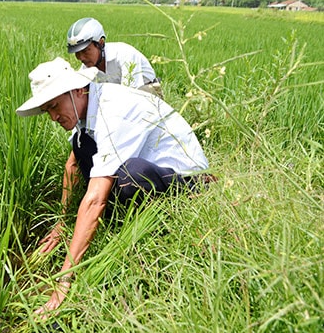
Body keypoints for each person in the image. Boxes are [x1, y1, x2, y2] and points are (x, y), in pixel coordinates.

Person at [15, 57, 210, 317]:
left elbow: (95, 199)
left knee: (132, 176)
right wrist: (62, 224)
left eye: (54, 106)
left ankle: (141, 226)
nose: (52, 117)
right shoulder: (85, 110)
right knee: (83, 147)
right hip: (151, 169)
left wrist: (64, 281)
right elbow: (72, 164)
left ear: (76, 90)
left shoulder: (115, 110)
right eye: (46, 110)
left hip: (186, 179)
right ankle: (117, 218)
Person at [67, 17, 162, 97]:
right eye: (77, 53)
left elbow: (131, 95)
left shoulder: (125, 55)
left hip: (146, 93)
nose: (81, 58)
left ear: (100, 43)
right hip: (119, 97)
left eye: (85, 51)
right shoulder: (85, 69)